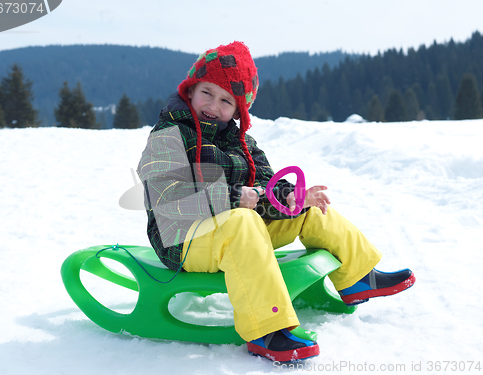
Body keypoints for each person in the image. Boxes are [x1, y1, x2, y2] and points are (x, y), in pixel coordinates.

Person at [137, 41, 415, 362]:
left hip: (236, 234)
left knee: (306, 210)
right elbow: (165, 195)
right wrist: (231, 198)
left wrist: (292, 199)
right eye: (207, 93)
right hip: (183, 239)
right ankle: (267, 329)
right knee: (242, 219)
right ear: (191, 90)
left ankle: (358, 276)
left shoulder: (241, 142)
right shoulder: (170, 133)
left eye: (226, 100)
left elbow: (266, 186)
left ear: (239, 110)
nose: (214, 105)